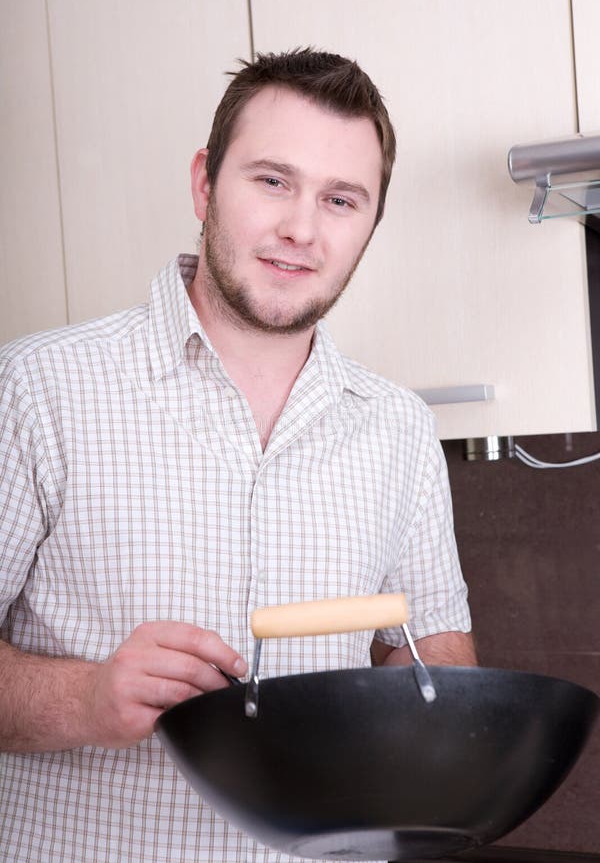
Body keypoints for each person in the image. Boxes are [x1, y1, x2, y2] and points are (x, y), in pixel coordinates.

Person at [0, 48, 476, 862]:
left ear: (369, 224)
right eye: (272, 181)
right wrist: (84, 698)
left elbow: (434, 651)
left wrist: (425, 708)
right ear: (204, 182)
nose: (301, 228)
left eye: (341, 199)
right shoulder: (36, 389)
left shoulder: (398, 427)